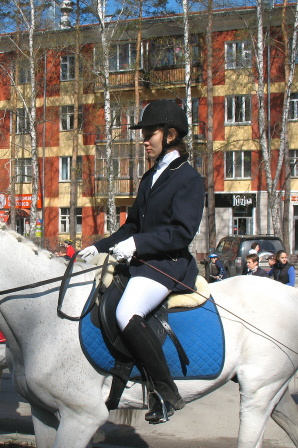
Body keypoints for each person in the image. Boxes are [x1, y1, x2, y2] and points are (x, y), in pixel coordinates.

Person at [77, 100, 204, 424]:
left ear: (171, 134)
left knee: (126, 312)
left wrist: (138, 244)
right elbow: (132, 225)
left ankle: (166, 392)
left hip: (168, 264)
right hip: (143, 261)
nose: (144, 139)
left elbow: (181, 232)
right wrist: (100, 247)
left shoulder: (188, 178)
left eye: (150, 133)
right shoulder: (150, 176)